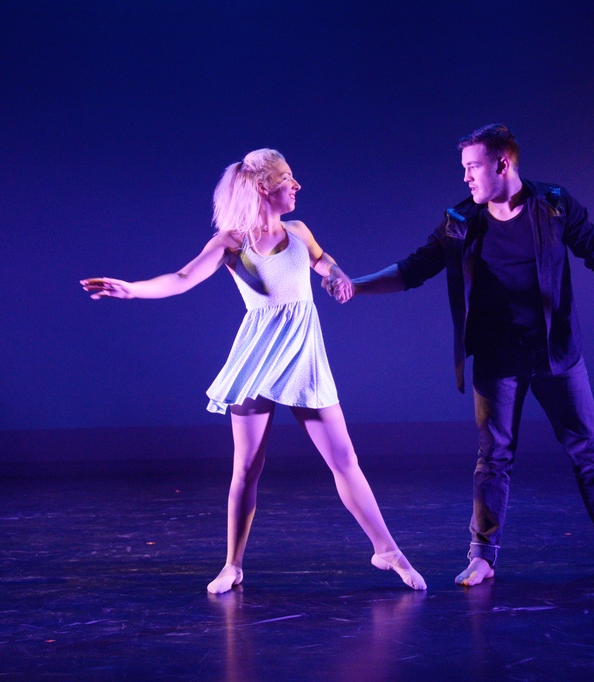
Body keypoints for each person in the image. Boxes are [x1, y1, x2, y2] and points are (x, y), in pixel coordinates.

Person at [81, 148, 426, 594]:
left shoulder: (299, 231)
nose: (297, 185)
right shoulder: (232, 242)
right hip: (258, 358)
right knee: (246, 467)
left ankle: (387, 550)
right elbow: (183, 278)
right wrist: (132, 290)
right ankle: (232, 565)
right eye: (287, 178)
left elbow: (322, 259)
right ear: (263, 187)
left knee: (345, 460)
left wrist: (336, 274)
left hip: (304, 357)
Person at [324, 125, 594, 586]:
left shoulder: (555, 205)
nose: (466, 178)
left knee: (588, 450)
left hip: (557, 354)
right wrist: (356, 286)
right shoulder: (460, 221)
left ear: (502, 164)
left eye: (473, 167)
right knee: (493, 458)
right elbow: (415, 268)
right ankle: (482, 556)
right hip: (498, 360)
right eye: (464, 169)